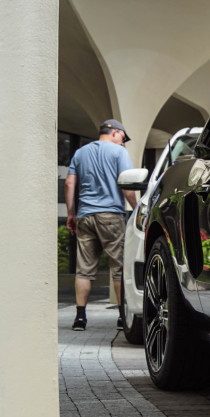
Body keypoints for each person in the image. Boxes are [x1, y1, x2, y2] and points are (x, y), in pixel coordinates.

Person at [65, 119, 137, 331]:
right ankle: (122, 316)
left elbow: (69, 183)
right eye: (122, 138)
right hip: (111, 216)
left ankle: (80, 318)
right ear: (115, 133)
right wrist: (139, 208)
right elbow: (128, 186)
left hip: (85, 216)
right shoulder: (118, 153)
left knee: (84, 270)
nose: (123, 143)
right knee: (118, 267)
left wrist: (72, 214)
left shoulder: (80, 152)